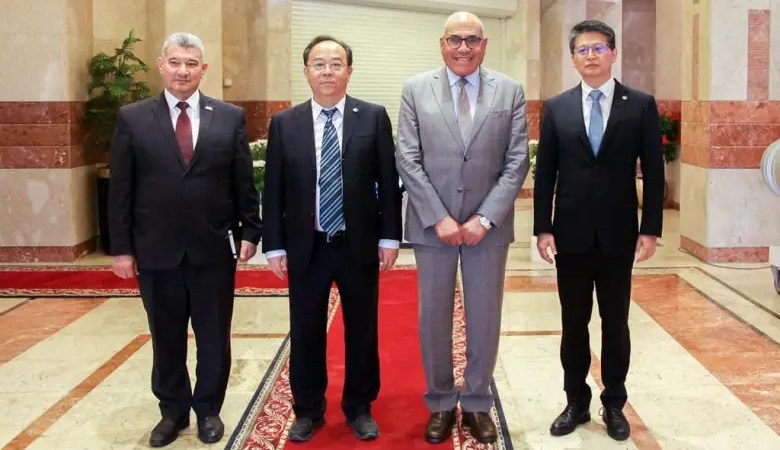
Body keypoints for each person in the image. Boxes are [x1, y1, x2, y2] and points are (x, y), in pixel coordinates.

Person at [108, 32, 261, 447]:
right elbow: (121, 188)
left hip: (213, 248)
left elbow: (243, 180)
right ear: (161, 65)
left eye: (191, 63)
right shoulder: (133, 118)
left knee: (214, 335)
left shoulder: (228, 116)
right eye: (175, 62)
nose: (183, 71)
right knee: (166, 336)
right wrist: (121, 248)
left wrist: (251, 230)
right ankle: (172, 412)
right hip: (156, 250)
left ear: (203, 69)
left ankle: (208, 409)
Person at [395, 11, 529, 445]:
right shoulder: (415, 89)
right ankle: (439, 402)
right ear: (442, 44)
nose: (463, 47)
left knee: (485, 316)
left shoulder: (509, 91)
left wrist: (484, 218)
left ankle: (475, 403)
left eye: (472, 39)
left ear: (485, 45)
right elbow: (407, 157)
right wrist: (438, 216)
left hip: (487, 230)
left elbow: (517, 160)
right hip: (432, 227)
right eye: (455, 39)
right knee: (433, 316)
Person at [262, 35, 402, 443]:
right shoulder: (285, 123)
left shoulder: (372, 117)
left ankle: (359, 407)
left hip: (357, 243)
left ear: (349, 71)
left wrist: (390, 237)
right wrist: (275, 244)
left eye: (336, 63)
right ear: (306, 71)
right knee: (305, 329)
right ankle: (308, 409)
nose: (328, 71)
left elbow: (388, 182)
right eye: (319, 64)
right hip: (307, 245)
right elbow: (274, 188)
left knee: (362, 328)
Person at [533, 19, 664, 441]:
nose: (591, 56)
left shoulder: (639, 104)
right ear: (573, 59)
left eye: (599, 48)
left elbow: (655, 170)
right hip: (569, 235)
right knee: (574, 323)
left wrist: (650, 229)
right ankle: (576, 401)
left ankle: (614, 404)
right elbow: (545, 172)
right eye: (583, 50)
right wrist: (542, 228)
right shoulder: (557, 107)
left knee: (615, 323)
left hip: (617, 234)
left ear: (613, 54)